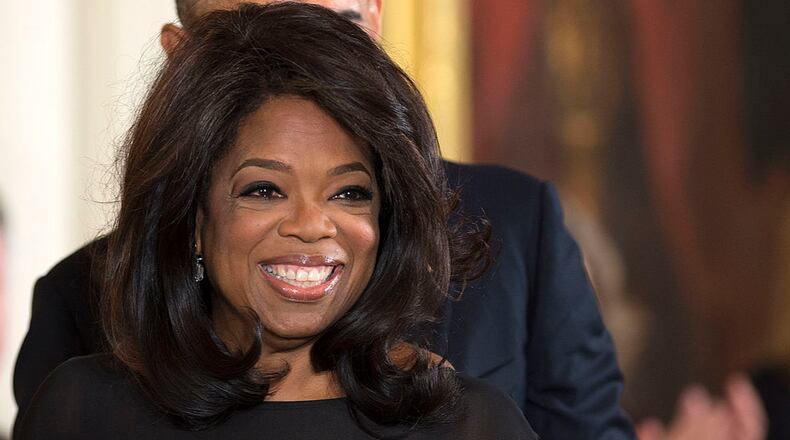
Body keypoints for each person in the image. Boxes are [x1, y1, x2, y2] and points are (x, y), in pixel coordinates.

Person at [14, 1, 634, 438]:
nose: (312, 224)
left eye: (349, 195)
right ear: (194, 216)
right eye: (263, 189)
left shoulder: (473, 422)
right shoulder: (83, 409)